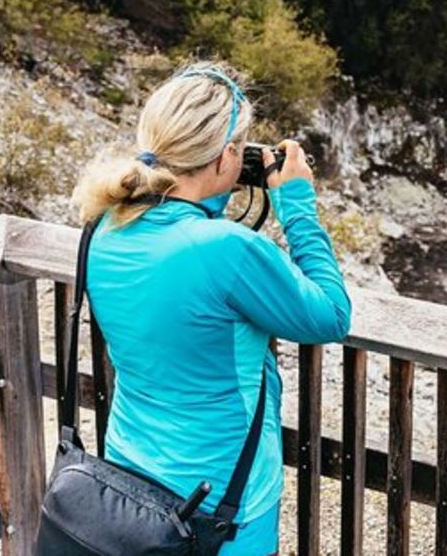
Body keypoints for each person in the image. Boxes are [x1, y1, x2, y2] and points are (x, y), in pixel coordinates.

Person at [70, 62, 352, 555]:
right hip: (220, 503)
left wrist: (213, 193)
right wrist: (297, 203)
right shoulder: (225, 249)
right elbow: (331, 315)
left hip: (127, 476)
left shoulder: (104, 225)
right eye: (239, 148)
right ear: (225, 155)